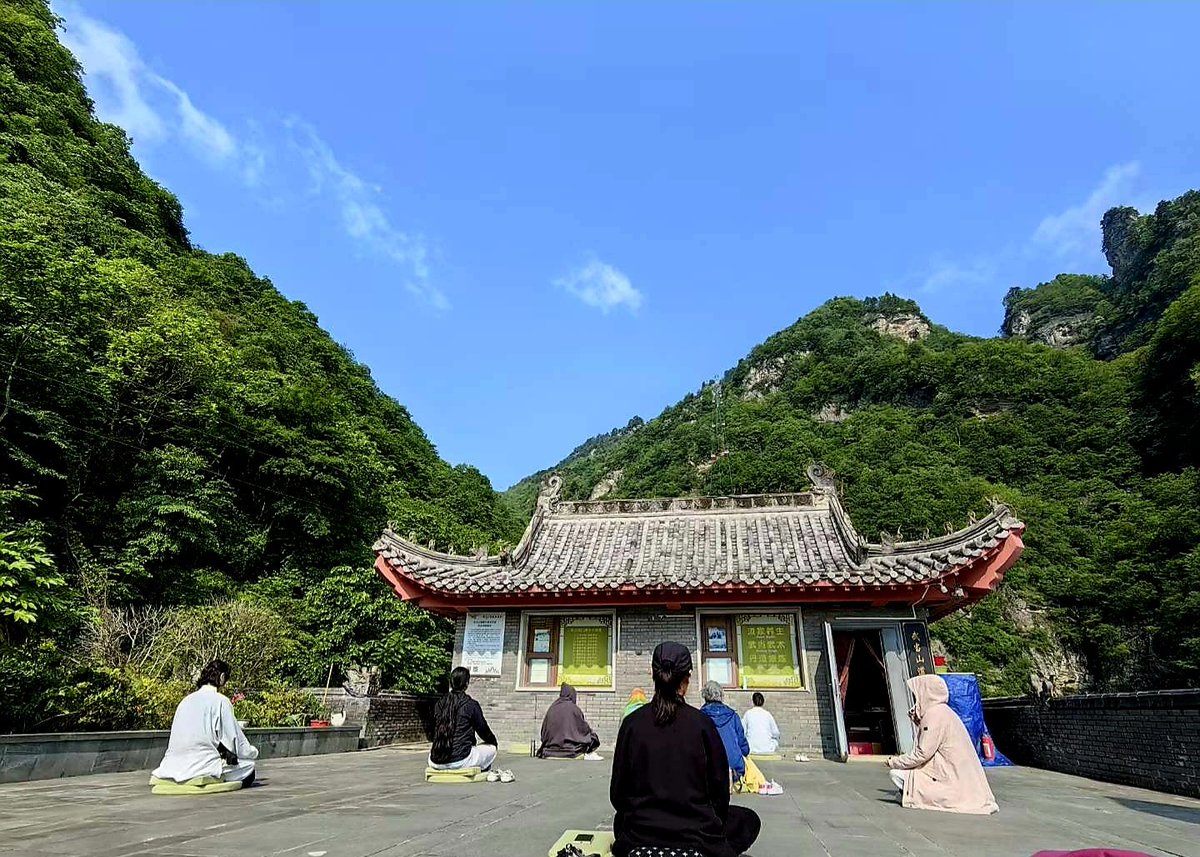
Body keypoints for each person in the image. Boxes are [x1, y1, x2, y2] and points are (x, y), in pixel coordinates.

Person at [610, 642, 761, 857]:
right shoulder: (702, 724)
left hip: (641, 834)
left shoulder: (632, 724)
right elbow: (720, 793)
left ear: (653, 675)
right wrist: (708, 824)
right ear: (686, 679)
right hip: (697, 835)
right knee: (747, 820)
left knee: (621, 821)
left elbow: (618, 794)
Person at [886, 674, 999, 815]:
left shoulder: (934, 715)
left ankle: (924, 795)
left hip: (947, 775)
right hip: (958, 774)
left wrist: (894, 762)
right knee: (907, 782)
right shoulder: (943, 711)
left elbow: (922, 753)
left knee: (896, 775)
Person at [151, 659, 259, 787]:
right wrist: (252, 752)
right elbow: (234, 741)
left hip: (170, 766)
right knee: (249, 767)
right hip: (202, 766)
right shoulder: (220, 701)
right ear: (222, 677)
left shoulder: (185, 701)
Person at [428, 666, 498, 772]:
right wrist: (493, 742)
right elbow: (483, 731)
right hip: (460, 760)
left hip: (434, 761)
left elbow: (434, 730)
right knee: (491, 748)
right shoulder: (471, 705)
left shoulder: (439, 704)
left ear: (451, 683)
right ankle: (482, 771)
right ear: (466, 684)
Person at [699, 681, 750, 783]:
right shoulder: (732, 715)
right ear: (721, 695)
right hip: (734, 766)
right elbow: (743, 745)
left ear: (704, 695)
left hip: (710, 769)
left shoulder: (700, 717)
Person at [538, 683, 602, 760]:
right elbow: (584, 730)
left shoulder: (552, 708)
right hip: (571, 750)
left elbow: (544, 732)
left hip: (550, 749)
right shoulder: (574, 709)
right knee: (593, 737)